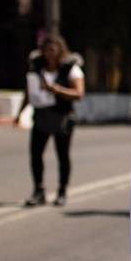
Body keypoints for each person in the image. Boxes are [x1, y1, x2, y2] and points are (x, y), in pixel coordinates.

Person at [15, 35, 84, 206]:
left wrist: (57, 90)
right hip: (41, 117)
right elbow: (29, 93)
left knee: (62, 155)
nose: (49, 54)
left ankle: (62, 192)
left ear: (60, 50)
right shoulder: (36, 68)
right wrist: (19, 113)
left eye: (53, 50)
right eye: (46, 50)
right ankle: (39, 191)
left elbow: (79, 93)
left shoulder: (71, 69)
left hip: (62, 117)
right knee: (36, 154)